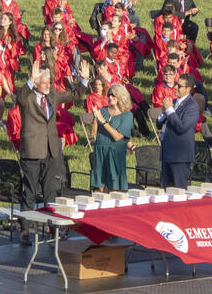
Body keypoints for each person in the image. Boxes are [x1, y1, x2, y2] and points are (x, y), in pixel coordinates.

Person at [17, 60, 89, 245]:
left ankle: (51, 226)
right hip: (32, 152)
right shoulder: (28, 97)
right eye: (45, 82)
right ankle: (25, 229)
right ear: (36, 82)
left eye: (50, 81)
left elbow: (74, 94)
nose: (49, 85)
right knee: (30, 192)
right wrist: (30, 81)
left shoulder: (52, 96)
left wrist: (84, 80)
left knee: (50, 191)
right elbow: (19, 98)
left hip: (51, 151)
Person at [157, 73, 199, 188]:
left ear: (188, 89)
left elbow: (181, 128)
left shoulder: (192, 106)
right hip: (167, 153)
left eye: (179, 86)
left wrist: (170, 110)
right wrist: (163, 112)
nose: (175, 87)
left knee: (178, 191)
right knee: (165, 192)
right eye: (176, 84)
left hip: (180, 156)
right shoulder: (174, 102)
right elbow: (159, 125)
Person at [90, 84, 133, 191]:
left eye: (113, 95)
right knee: (100, 185)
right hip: (100, 151)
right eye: (109, 95)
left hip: (115, 154)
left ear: (121, 96)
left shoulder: (127, 115)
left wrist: (103, 121)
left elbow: (117, 136)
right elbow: (93, 133)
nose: (110, 97)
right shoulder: (103, 111)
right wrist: (95, 120)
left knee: (114, 186)